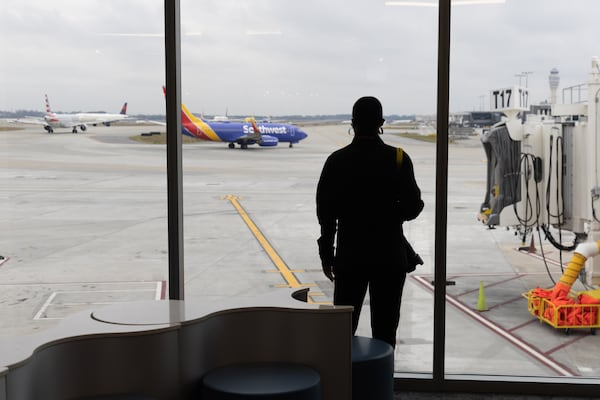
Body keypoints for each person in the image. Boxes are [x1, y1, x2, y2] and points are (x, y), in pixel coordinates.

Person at [316, 96, 424, 348]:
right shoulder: (398, 158)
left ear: (353, 124)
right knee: (386, 331)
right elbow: (414, 207)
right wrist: (389, 215)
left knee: (343, 330)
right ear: (381, 123)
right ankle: (382, 385)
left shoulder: (337, 161)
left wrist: (326, 254)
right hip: (389, 255)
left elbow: (326, 214)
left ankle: (343, 384)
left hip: (350, 255)